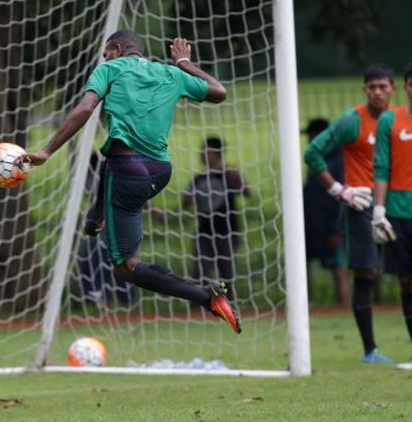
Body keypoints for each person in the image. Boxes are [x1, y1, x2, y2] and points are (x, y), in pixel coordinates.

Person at [17, 29, 240, 333]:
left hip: (127, 171)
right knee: (110, 157)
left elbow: (85, 109)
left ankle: (207, 297)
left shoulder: (110, 69)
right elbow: (219, 91)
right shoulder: (168, 73)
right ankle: (96, 217)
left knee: (126, 268)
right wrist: (184, 62)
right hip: (159, 171)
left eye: (106, 52)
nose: (104, 58)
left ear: (118, 49)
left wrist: (46, 151)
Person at [304, 64, 396, 364]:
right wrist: (339, 190)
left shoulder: (400, 121)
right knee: (366, 272)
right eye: (373, 87)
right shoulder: (352, 120)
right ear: (365, 90)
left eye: (384, 86)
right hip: (362, 205)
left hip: (402, 205)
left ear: (393, 89)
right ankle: (370, 350)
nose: (378, 92)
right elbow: (312, 153)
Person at [373, 58, 412, 371]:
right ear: (405, 88)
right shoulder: (389, 121)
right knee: (406, 281)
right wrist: (379, 210)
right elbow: (382, 166)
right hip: (396, 211)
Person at [183, 136, 249, 306]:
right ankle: (197, 306)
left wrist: (237, 176)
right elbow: (186, 203)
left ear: (216, 153)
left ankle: (228, 306)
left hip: (226, 231)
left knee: (227, 273)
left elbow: (246, 191)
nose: (202, 155)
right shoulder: (199, 178)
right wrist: (187, 198)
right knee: (200, 271)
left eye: (206, 151)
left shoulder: (228, 174)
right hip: (204, 232)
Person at [302, 118, 350, 307]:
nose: (308, 139)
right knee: (303, 263)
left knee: (337, 268)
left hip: (330, 224)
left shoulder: (338, 160)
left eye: (311, 135)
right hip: (312, 222)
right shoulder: (315, 158)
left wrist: (336, 229)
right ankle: (308, 304)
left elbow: (340, 197)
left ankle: (344, 309)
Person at [78, 153, 135, 307]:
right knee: (99, 261)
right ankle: (100, 297)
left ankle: (125, 299)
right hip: (104, 227)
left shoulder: (108, 176)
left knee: (119, 261)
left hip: (116, 225)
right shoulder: (91, 180)